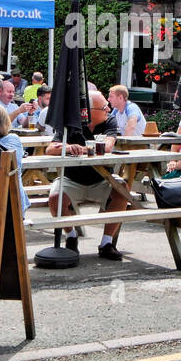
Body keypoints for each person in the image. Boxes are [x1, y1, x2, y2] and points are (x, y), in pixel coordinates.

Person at [45, 90, 127, 261]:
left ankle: (107, 243)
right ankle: (71, 236)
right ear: (90, 112)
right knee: (54, 197)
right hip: (72, 179)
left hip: (102, 180)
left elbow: (108, 146)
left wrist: (80, 149)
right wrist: (67, 148)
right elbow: (50, 148)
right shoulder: (71, 123)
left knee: (122, 190)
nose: (108, 109)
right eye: (104, 107)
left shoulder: (109, 121)